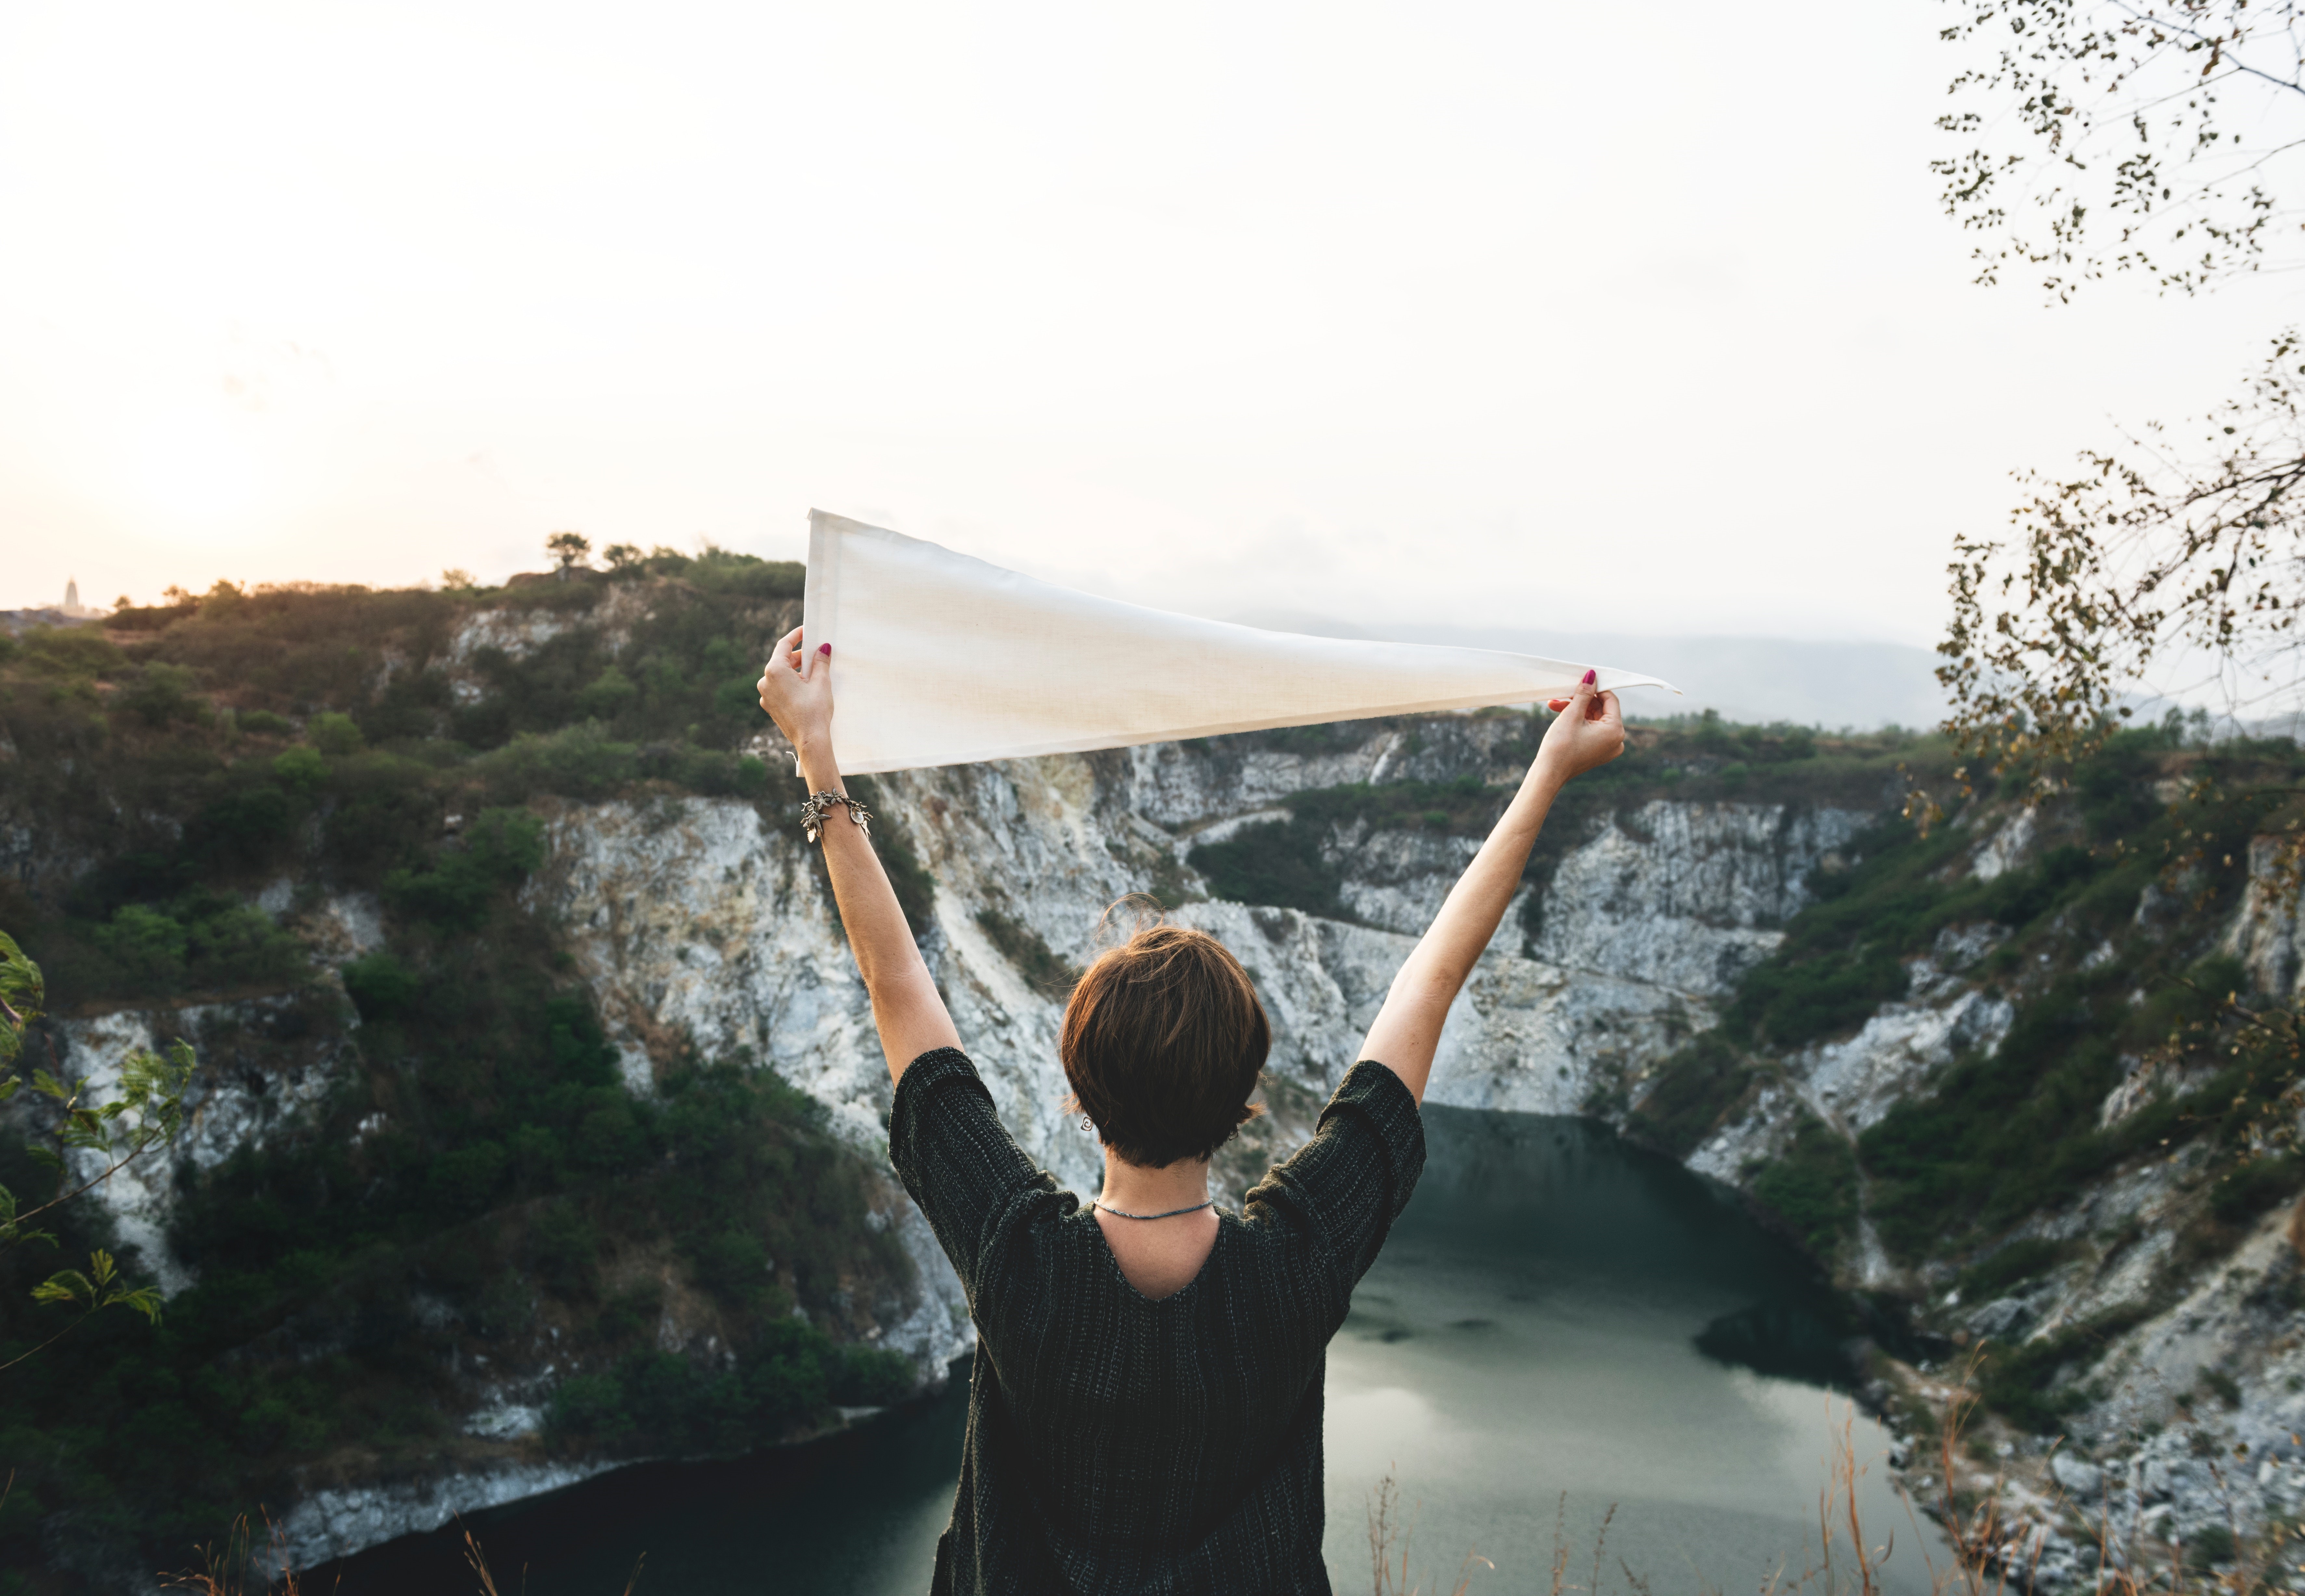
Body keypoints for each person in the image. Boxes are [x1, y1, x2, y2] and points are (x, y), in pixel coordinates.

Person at [755, 630, 1625, 1595]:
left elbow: (897, 985)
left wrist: (817, 757)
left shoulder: (1018, 1259)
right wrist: (1548, 773)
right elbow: (1430, 986)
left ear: (1078, 1092)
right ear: (1246, 1098)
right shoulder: (1298, 1262)